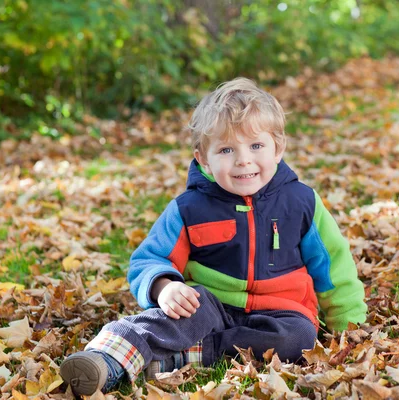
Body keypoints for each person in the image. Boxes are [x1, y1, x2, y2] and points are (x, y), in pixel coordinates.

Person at [59, 77, 367, 396]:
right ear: (204, 158)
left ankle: (181, 355)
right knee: (171, 316)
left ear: (279, 148)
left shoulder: (302, 203)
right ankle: (106, 359)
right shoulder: (189, 208)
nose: (243, 159)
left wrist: (349, 324)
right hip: (210, 304)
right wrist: (165, 287)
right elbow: (149, 258)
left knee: (298, 339)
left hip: (281, 310)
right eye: (226, 149)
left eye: (256, 145)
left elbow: (333, 268)